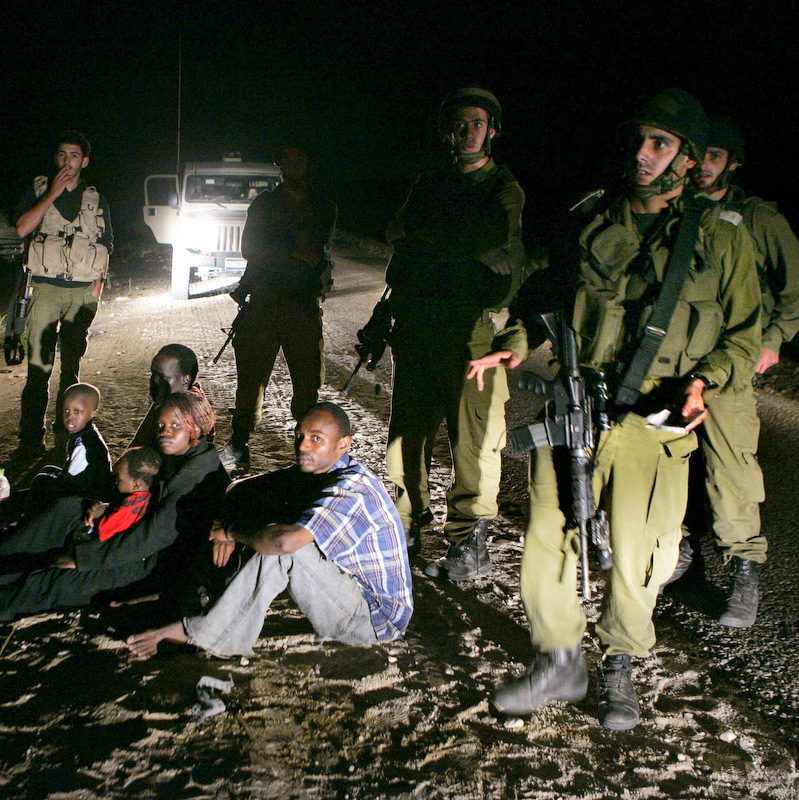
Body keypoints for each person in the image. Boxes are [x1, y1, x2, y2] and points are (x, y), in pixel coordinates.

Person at [469, 89, 761, 730]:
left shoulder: (720, 240)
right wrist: (514, 344)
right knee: (550, 536)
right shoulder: (589, 219)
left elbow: (745, 333)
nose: (643, 154)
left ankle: (620, 663)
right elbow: (540, 294)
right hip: (578, 403)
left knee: (640, 552)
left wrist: (705, 383)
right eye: (639, 139)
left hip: (655, 419)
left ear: (687, 159)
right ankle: (560, 659)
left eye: (661, 143)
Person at [126, 402, 413, 658]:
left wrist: (232, 533)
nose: (302, 446)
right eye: (300, 436)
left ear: (343, 444)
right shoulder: (319, 470)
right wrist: (227, 526)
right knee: (268, 527)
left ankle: (200, 632)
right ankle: (202, 602)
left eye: (316, 439)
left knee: (283, 545)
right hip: (346, 597)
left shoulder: (350, 491)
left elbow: (284, 544)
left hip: (375, 622)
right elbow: (240, 488)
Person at [384, 86, 525, 580]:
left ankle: (470, 541)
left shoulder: (502, 189)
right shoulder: (429, 182)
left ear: (492, 131)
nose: (468, 133)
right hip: (419, 324)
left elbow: (486, 240)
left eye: (477, 124)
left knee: (474, 441)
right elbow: (396, 233)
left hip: (472, 334)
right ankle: (406, 525)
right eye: (460, 124)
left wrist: (432, 239)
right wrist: (443, 242)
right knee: (405, 436)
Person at [671, 116, 799, 626]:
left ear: (733, 163)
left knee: (731, 467)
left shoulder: (754, 219)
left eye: (716, 157)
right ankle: (680, 552)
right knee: (672, 458)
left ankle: (744, 567)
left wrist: (773, 340)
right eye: (699, 154)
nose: (703, 166)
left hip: (733, 359)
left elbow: (791, 289)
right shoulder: (676, 211)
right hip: (678, 363)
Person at [0, 392, 229, 621]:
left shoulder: (197, 474)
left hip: (151, 565)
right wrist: (106, 506)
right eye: (161, 424)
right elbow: (140, 497)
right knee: (68, 510)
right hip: (135, 537)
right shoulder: (177, 454)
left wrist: (84, 558)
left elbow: (152, 538)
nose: (164, 431)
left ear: (196, 429)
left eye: (175, 425)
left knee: (52, 580)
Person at [219, 144, 338, 468]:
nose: (295, 163)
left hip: (301, 306)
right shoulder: (266, 204)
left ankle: (307, 450)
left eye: (301, 156)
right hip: (264, 303)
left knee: (307, 386)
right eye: (289, 157)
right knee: (250, 382)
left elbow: (313, 247)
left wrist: (278, 250)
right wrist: (293, 252)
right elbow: (249, 249)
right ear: (281, 163)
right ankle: (239, 443)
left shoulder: (322, 206)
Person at [13, 131, 113, 459]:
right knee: (38, 369)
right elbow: (23, 228)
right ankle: (30, 442)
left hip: (82, 293)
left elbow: (107, 242)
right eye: (61, 155)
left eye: (73, 155)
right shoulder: (41, 189)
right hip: (45, 290)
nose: (66, 161)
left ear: (84, 161)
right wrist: (53, 193)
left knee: (71, 369)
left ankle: (66, 438)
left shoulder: (95, 198)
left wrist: (98, 285)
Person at [0, 383, 113, 523]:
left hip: (89, 497)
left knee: (41, 481)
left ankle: (28, 521)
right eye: (66, 411)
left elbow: (71, 480)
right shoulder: (86, 433)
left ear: (93, 413)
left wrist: (48, 483)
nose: (69, 417)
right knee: (47, 470)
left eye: (77, 412)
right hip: (85, 485)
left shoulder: (85, 444)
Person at [129, 344, 215, 448]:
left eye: (162, 377)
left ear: (185, 379)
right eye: (153, 374)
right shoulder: (175, 398)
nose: (155, 381)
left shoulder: (180, 412)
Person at [89, 446, 162, 542]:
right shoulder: (146, 497)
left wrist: (97, 513)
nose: (115, 482)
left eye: (119, 480)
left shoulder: (128, 506)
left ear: (136, 484)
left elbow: (104, 531)